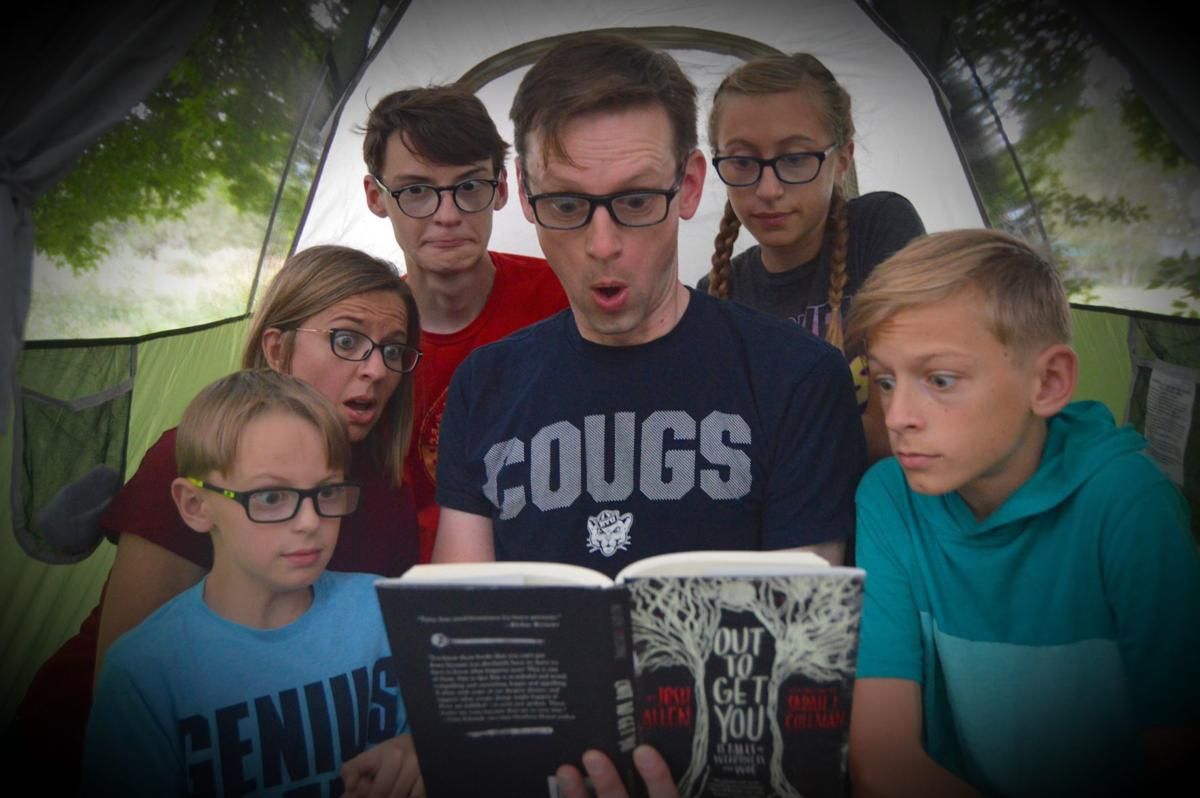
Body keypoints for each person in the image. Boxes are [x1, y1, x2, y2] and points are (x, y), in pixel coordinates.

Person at [432, 32, 864, 577]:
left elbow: (796, 616)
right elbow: (462, 608)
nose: (602, 244)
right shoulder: (484, 385)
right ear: (524, 192)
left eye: (636, 200)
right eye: (565, 204)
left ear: (689, 185)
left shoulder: (798, 378)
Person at [10, 245, 422, 793]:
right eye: (346, 341)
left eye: (394, 350)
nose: (376, 369)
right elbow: (127, 668)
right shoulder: (192, 460)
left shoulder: (389, 488)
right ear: (276, 348)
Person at [844, 229, 1200, 796]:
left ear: (1049, 382)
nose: (897, 416)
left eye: (940, 379)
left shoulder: (1130, 506)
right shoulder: (887, 498)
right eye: (885, 381)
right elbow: (882, 761)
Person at [83, 369, 421, 797]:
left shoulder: (386, 614)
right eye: (272, 497)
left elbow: (439, 748)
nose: (310, 522)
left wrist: (421, 754)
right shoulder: (144, 672)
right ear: (195, 505)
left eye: (327, 492)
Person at [361, 84, 568, 562]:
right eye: (416, 191)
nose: (448, 215)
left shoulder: (566, 300)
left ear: (502, 189)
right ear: (376, 196)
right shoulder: (360, 344)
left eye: (469, 187)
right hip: (409, 584)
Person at [700, 54, 925, 463]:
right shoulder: (716, 295)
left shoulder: (878, 228)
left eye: (795, 159)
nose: (768, 189)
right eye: (743, 162)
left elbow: (897, 425)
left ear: (842, 159)